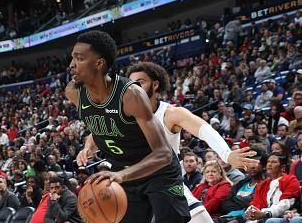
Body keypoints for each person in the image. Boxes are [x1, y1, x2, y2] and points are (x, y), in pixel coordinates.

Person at [67, 30, 190, 223]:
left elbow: (164, 154)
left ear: (99, 63)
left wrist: (121, 175)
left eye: (79, 59)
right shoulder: (74, 93)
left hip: (158, 171)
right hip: (122, 170)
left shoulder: (130, 94)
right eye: (72, 58)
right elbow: (101, 123)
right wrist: (89, 146)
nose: (71, 65)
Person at [126, 61, 258, 223]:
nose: (134, 88)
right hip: (139, 195)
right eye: (131, 84)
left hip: (169, 187)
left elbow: (205, 130)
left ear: (155, 85)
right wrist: (88, 147)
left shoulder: (171, 114)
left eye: (140, 82)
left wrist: (227, 154)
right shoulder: (125, 118)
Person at [245, 153, 300, 223]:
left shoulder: (291, 180)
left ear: (282, 167)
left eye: (274, 162)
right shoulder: (263, 184)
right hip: (262, 216)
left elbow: (286, 204)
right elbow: (256, 202)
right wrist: (251, 212)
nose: (269, 164)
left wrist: (265, 213)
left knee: (271, 221)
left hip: (283, 216)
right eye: (268, 162)